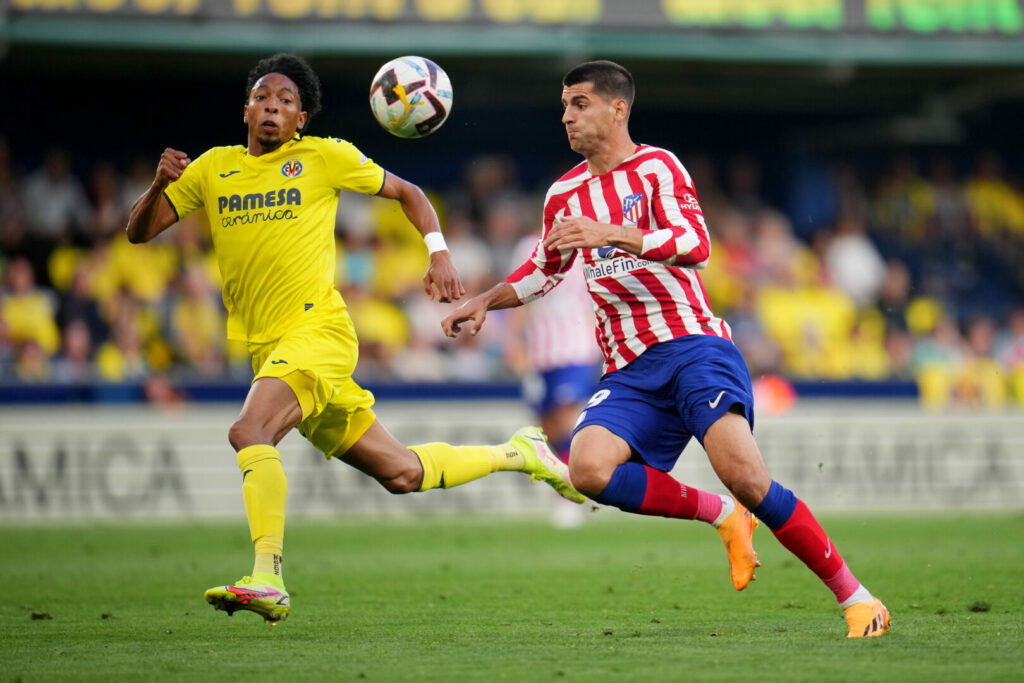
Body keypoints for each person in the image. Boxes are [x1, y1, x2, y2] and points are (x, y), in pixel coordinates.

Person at [125, 53, 583, 624]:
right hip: (270, 348)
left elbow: (411, 192)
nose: (273, 107)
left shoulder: (323, 157)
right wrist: (157, 184)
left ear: (302, 120)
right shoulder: (213, 169)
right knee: (401, 473)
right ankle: (519, 453)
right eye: (263, 97)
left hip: (318, 332)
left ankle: (266, 576)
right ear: (246, 109)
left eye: (287, 102)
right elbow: (139, 232)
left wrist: (439, 252)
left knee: (250, 429)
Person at [442, 60, 890, 638]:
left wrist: (613, 234)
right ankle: (724, 516)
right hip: (628, 368)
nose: (567, 116)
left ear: (617, 108)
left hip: (693, 347)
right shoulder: (563, 194)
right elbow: (543, 272)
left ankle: (858, 599)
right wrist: (486, 300)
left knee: (749, 479)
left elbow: (696, 244)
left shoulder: (657, 168)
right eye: (564, 106)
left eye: (579, 104)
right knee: (588, 469)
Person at [505, 234, 602, 527]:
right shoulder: (527, 247)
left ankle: (570, 495)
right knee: (547, 428)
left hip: (576, 347)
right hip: (540, 352)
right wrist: (513, 341)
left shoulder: (588, 249)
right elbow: (519, 295)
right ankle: (567, 486)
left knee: (564, 417)